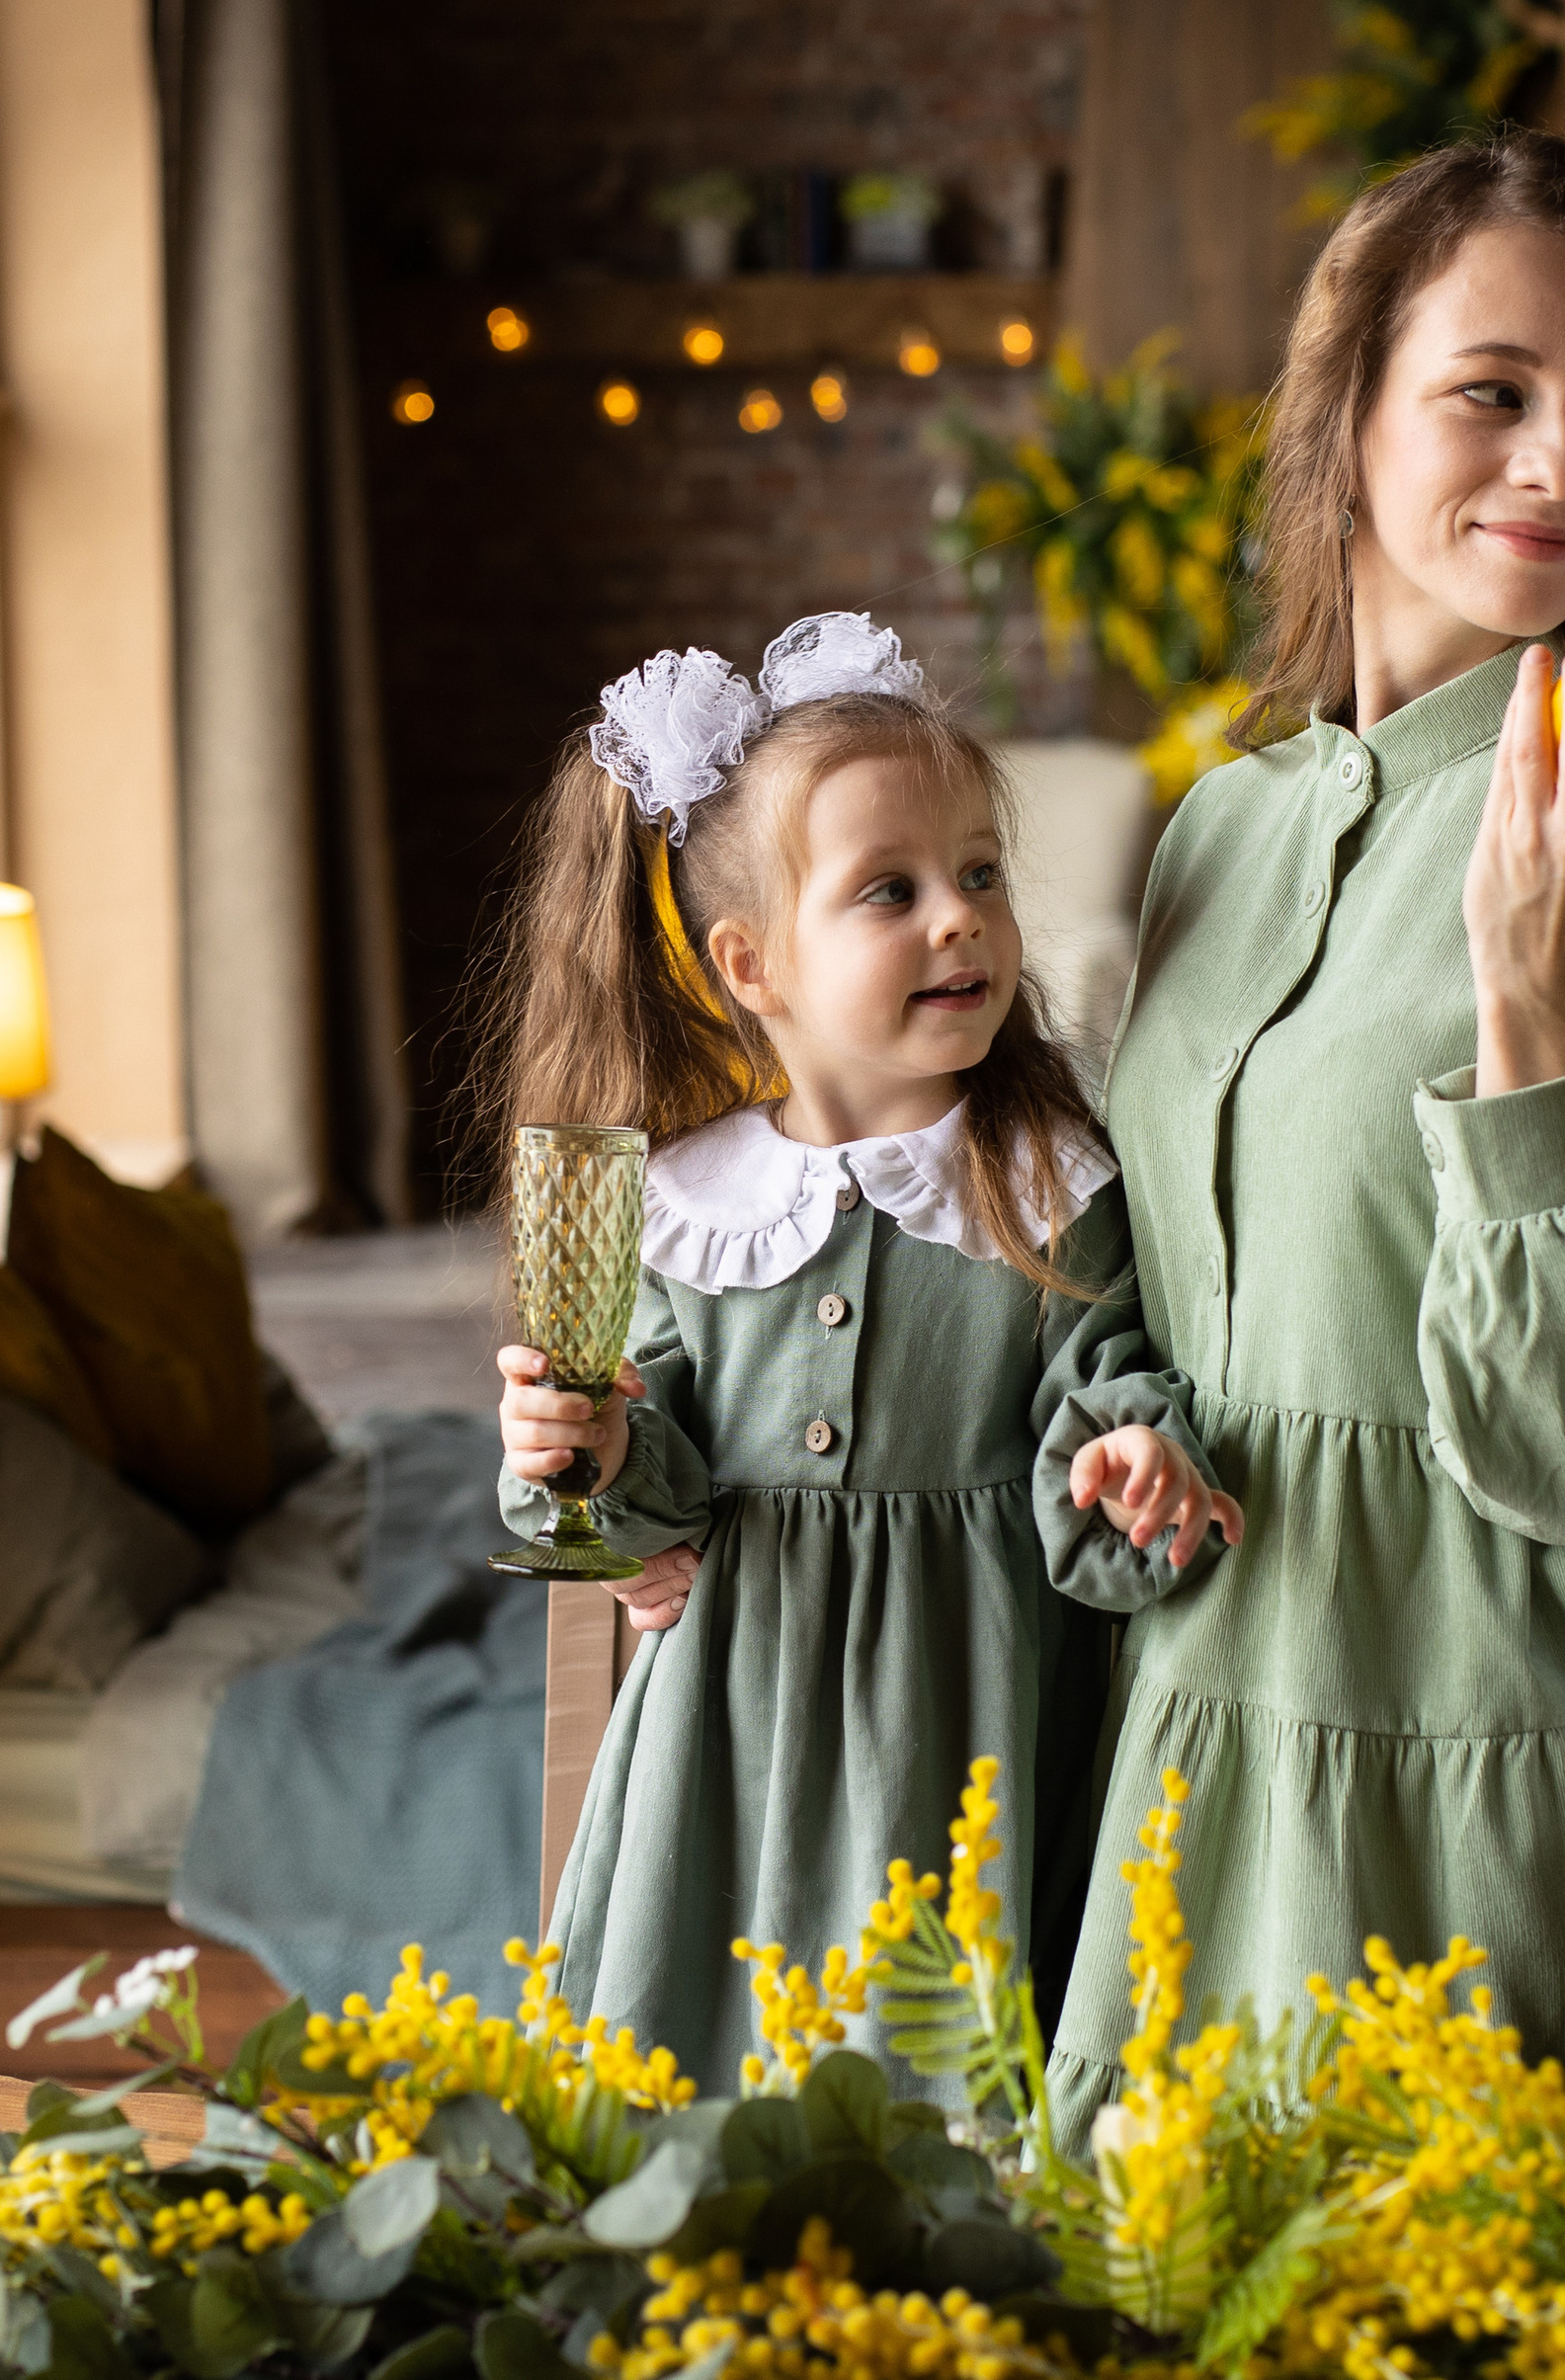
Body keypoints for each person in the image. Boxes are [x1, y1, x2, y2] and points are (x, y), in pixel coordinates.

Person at [1039, 129, 1565, 2136]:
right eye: (1493, 391)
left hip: (1459, 1746)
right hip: (1182, 1719)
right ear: (1347, 413)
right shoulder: (1224, 824)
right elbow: (1160, 1291)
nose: (1564, 463)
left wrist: (1532, 1002)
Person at [486, 610, 1243, 2097]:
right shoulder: (688, 1208)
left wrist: (1128, 1456)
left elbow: (1109, 1384)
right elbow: (653, 1490)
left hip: (964, 1712)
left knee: (938, 2058)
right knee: (707, 2045)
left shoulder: (1050, 1184)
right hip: (732, 1712)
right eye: (887, 890)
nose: (957, 917)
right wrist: (592, 1451)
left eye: (976, 876)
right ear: (751, 962)